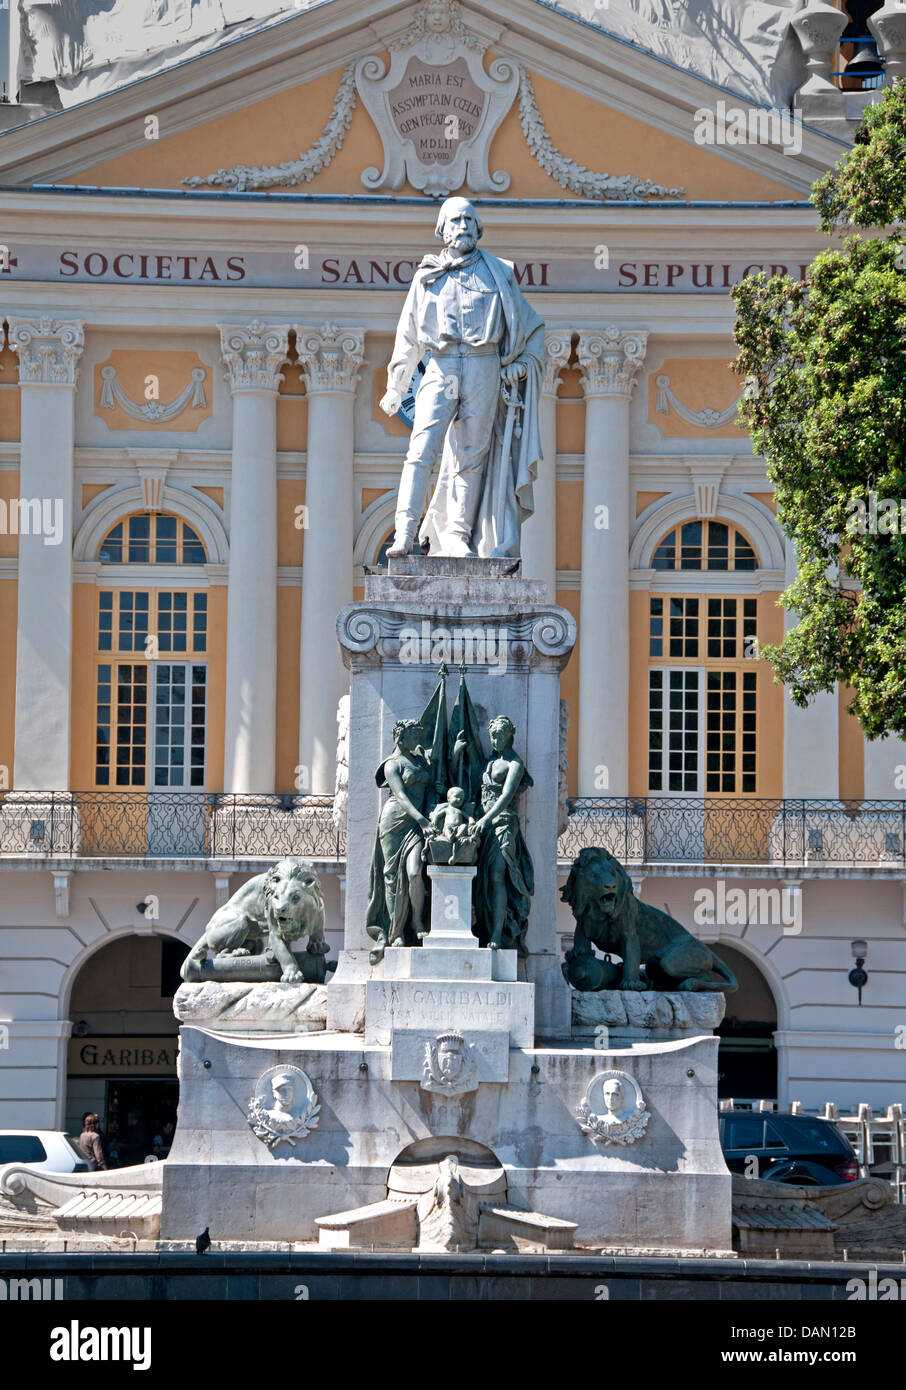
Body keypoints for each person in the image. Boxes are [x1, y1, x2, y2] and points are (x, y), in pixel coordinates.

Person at [379, 197, 544, 559]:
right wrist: (396, 384)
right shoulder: (427, 276)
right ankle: (405, 533)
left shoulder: (499, 272)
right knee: (420, 451)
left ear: (479, 227)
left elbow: (533, 329)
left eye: (470, 220)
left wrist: (524, 362)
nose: (464, 226)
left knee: (472, 456)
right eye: (456, 220)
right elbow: (408, 335)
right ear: (442, 229)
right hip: (441, 364)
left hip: (483, 365)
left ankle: (457, 535)